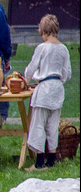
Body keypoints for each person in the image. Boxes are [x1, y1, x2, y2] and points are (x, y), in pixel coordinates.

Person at [23, 14, 71, 170]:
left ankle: (39, 162)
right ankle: (51, 160)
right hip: (57, 87)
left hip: (44, 88)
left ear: (43, 31)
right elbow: (67, 73)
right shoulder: (63, 49)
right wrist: (58, 81)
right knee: (52, 125)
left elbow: (31, 68)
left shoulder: (42, 48)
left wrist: (26, 80)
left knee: (38, 124)